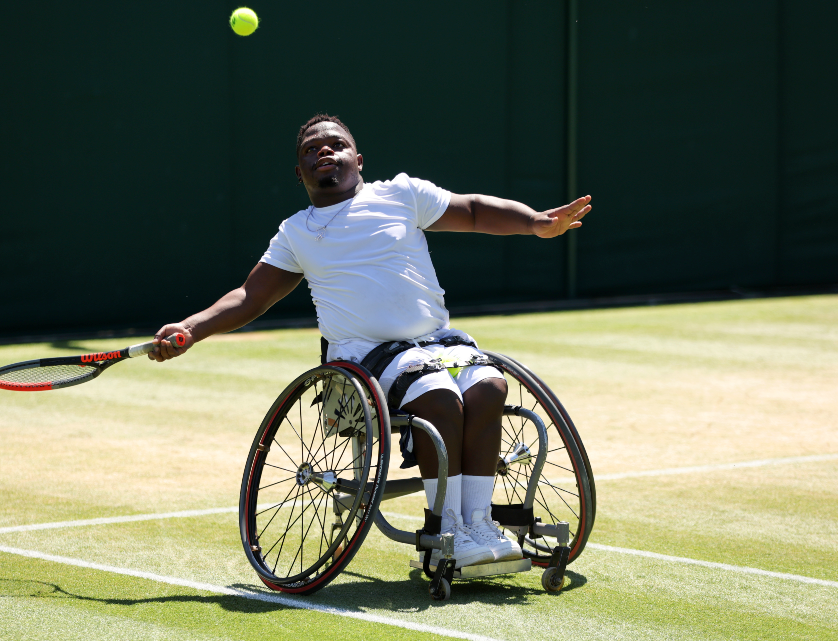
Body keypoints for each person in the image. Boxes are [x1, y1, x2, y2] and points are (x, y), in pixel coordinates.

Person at [149, 114, 592, 568]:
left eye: (336, 144)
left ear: (358, 160)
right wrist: (192, 327)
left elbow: (474, 210)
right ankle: (448, 531)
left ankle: (477, 523)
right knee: (438, 397)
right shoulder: (296, 232)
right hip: (367, 360)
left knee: (489, 388)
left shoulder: (400, 194)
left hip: (440, 343)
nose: (324, 151)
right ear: (299, 173)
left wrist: (535, 222)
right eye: (311, 149)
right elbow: (249, 297)